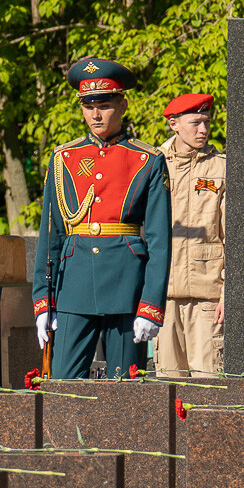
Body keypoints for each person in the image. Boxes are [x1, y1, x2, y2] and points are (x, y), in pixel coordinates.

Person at [33, 58, 172, 379]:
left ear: (123, 104)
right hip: (73, 285)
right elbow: (50, 235)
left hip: (126, 287)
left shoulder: (146, 160)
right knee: (64, 385)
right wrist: (43, 299)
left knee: (123, 392)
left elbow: (159, 241)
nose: (95, 115)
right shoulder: (63, 158)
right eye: (88, 106)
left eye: (105, 105)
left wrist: (151, 307)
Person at [154, 93, 225, 377]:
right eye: (195, 122)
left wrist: (228, 293)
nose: (203, 130)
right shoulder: (153, 164)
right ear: (174, 123)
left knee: (209, 385)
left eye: (206, 122)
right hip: (163, 296)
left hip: (208, 296)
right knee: (166, 386)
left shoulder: (221, 167)